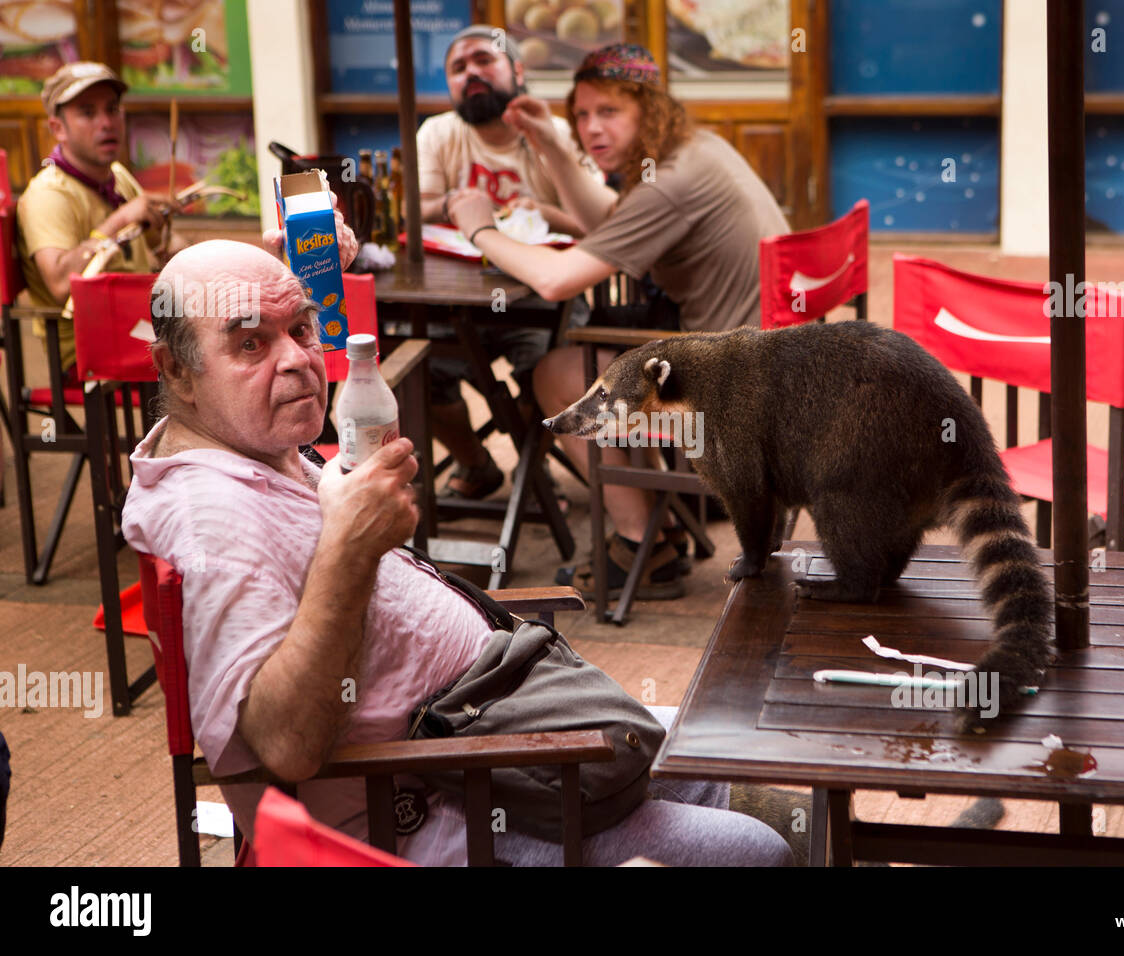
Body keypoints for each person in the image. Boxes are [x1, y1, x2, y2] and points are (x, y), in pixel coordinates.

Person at [120, 239, 791, 867]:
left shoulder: (247, 445)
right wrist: (352, 549)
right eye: (249, 344)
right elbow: (285, 746)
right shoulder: (210, 516)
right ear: (176, 370)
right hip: (448, 808)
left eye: (300, 329)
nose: (296, 359)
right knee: (755, 846)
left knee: (753, 759)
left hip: (503, 727)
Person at [447, 44, 789, 598]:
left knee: (558, 375)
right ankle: (661, 519)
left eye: (609, 112)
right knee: (597, 363)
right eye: (581, 115)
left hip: (731, 393)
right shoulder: (696, 149)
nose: (590, 129)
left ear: (648, 111)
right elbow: (611, 219)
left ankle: (642, 542)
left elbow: (557, 281)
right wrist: (552, 144)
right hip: (758, 361)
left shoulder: (669, 182)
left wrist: (480, 228)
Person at [417, 25, 615, 501]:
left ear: (518, 71)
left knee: (547, 372)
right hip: (455, 300)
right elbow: (416, 207)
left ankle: (533, 469)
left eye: (485, 60)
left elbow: (604, 225)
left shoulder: (557, 134)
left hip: (544, 298)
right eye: (458, 68)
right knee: (418, 370)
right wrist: (455, 206)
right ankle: (477, 463)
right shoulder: (439, 132)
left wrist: (544, 214)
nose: (472, 74)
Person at [16, 61, 182, 372]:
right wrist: (118, 221)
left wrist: (182, 248)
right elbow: (60, 282)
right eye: (88, 113)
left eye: (112, 109)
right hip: (89, 346)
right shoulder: (48, 194)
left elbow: (162, 243)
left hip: (135, 322)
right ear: (58, 128)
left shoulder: (116, 175)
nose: (106, 122)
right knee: (201, 355)